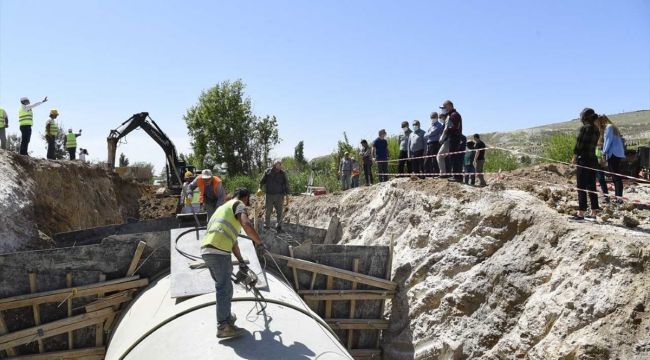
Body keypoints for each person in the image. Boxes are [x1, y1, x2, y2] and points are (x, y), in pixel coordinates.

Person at [201, 187, 264, 339]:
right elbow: (247, 225)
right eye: (248, 200)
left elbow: (234, 243)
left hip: (207, 251)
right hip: (219, 251)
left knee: (225, 288)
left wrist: (241, 262)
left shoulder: (223, 208)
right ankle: (223, 326)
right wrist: (259, 242)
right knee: (224, 288)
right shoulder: (238, 205)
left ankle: (227, 318)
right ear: (245, 197)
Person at [571, 108, 600, 220]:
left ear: (585, 118)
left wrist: (574, 158)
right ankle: (594, 212)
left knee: (581, 187)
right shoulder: (597, 129)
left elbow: (579, 145)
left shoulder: (584, 129)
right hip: (593, 160)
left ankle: (581, 213)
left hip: (583, 160)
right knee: (591, 186)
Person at [600, 115, 625, 202]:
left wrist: (603, 152)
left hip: (613, 154)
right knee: (616, 177)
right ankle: (618, 197)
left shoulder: (609, 127)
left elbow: (608, 141)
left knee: (616, 177)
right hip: (617, 154)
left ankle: (619, 198)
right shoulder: (612, 127)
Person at [259, 160, 289, 231]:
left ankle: (279, 226)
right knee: (268, 211)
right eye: (278, 164)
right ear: (274, 164)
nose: (279, 166)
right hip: (269, 195)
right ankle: (267, 226)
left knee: (279, 212)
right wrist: (259, 188)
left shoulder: (283, 173)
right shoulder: (268, 171)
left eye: (280, 164)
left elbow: (286, 184)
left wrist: (287, 194)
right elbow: (262, 181)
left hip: (279, 195)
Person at [439, 100, 463, 182]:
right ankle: (456, 176)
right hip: (452, 138)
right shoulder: (451, 115)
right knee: (452, 157)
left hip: (454, 138)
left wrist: (445, 133)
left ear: (449, 105)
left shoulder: (454, 115)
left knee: (454, 157)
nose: (444, 108)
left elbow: (453, 127)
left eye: (445, 106)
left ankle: (457, 176)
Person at [424, 112, 444, 176]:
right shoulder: (431, 125)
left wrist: (429, 133)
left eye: (433, 117)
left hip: (435, 143)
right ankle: (427, 174)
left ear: (437, 117)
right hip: (429, 144)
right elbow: (425, 135)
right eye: (431, 117)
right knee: (427, 159)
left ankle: (436, 173)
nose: (432, 118)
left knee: (434, 159)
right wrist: (429, 133)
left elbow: (433, 132)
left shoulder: (439, 125)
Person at [437, 109, 451, 177]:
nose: (439, 118)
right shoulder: (444, 123)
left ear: (444, 116)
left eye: (440, 117)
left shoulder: (447, 122)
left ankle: (443, 173)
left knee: (439, 156)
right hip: (447, 141)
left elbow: (446, 131)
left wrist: (442, 138)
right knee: (444, 157)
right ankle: (445, 173)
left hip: (448, 141)